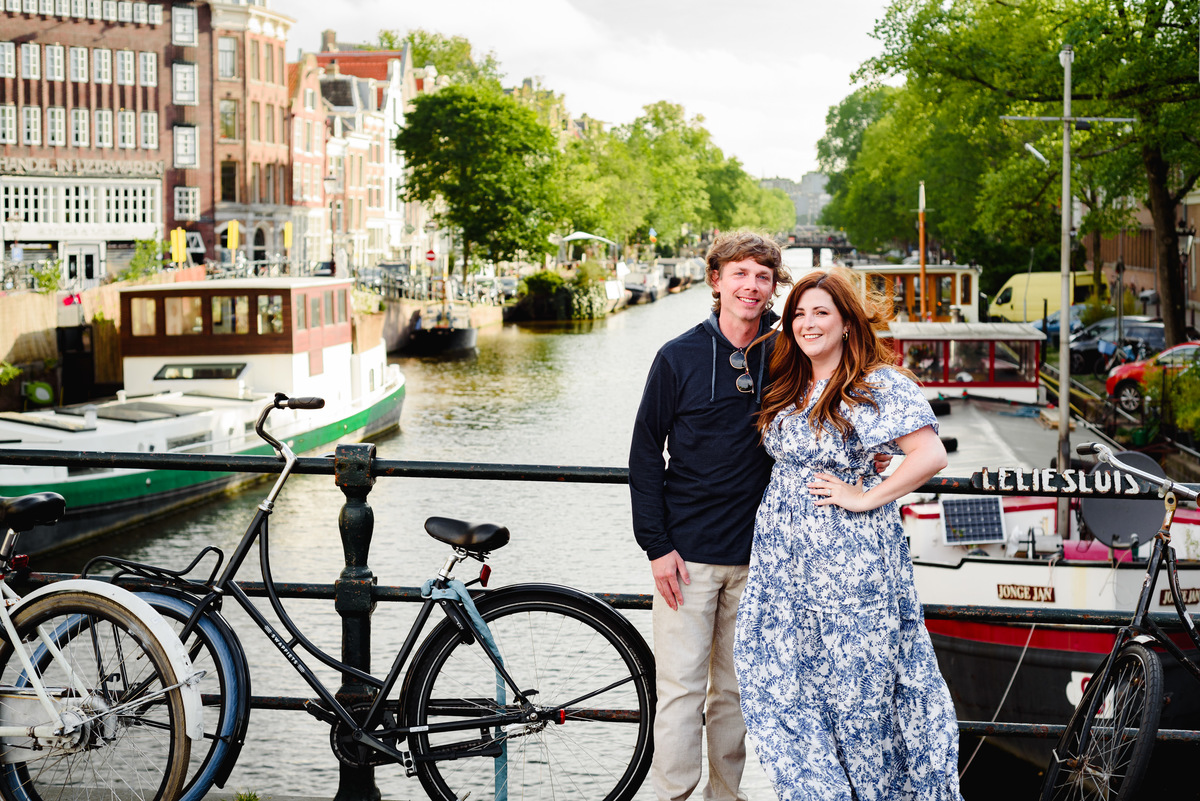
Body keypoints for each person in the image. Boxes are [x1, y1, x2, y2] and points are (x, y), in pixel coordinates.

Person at [733, 268, 962, 801]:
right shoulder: (791, 382)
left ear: (846, 321)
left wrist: (864, 494)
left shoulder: (876, 383)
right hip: (784, 568)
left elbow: (930, 455)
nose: (807, 323)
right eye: (798, 314)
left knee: (857, 699)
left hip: (850, 568)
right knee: (782, 688)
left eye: (821, 313)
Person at [629, 230, 792, 801]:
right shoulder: (678, 357)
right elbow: (647, 449)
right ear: (716, 280)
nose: (751, 286)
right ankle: (674, 796)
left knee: (736, 694)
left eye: (763, 276)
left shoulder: (790, 352)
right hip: (687, 558)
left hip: (759, 559)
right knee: (678, 692)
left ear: (773, 287)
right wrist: (656, 545)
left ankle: (726, 796)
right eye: (740, 274)